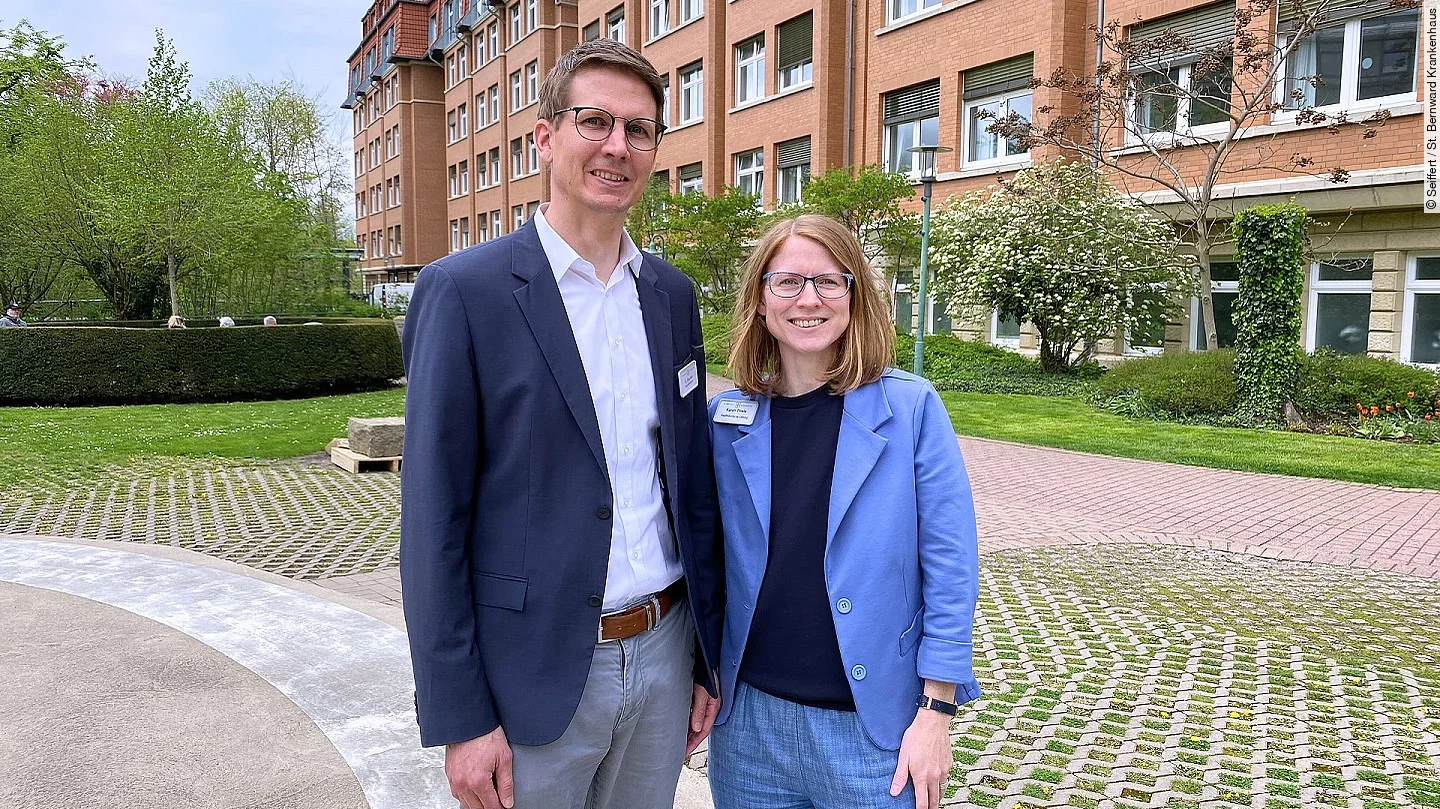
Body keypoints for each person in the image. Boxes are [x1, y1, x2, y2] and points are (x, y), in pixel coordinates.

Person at [399, 39, 723, 809]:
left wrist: (706, 658)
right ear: (543, 136)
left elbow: (689, 483)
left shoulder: (671, 297)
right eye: (595, 121)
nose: (618, 146)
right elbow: (433, 519)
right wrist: (461, 716)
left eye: (639, 129)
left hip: (664, 651)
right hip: (531, 678)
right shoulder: (465, 292)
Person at [706, 214, 981, 809]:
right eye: (788, 283)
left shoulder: (911, 410)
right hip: (748, 726)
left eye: (830, 282)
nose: (809, 300)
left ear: (855, 298)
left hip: (873, 729)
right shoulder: (727, 420)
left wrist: (936, 712)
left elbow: (951, 566)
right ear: (759, 300)